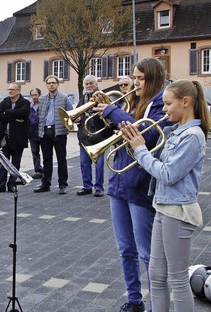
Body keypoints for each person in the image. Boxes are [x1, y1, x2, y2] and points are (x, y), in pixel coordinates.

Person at [121, 79, 209, 312]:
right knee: (156, 275)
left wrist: (140, 149)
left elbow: (168, 174)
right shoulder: (176, 132)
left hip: (178, 211)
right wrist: (134, 141)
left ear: (186, 102)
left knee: (178, 279)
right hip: (163, 206)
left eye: (169, 104)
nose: (165, 109)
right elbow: (159, 166)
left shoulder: (192, 135)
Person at [92, 57, 167, 312]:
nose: (135, 83)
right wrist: (104, 116)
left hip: (140, 184)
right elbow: (121, 131)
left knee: (146, 253)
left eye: (140, 79)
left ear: (154, 78)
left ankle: (158, 304)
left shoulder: (161, 106)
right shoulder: (132, 102)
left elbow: (147, 135)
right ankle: (135, 300)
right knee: (125, 249)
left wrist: (113, 111)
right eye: (134, 78)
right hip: (119, 182)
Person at [34, 75, 72, 194]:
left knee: (61, 160)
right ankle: (46, 184)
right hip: (45, 132)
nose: (51, 85)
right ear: (46, 85)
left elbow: (70, 114)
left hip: (59, 132)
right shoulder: (42, 99)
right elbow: (39, 115)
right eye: (49, 83)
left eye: (53, 83)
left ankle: (62, 184)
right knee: (46, 160)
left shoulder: (64, 98)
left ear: (57, 84)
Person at [0, 83, 30, 193]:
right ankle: (1, 185)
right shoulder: (5, 101)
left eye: (13, 90)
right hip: (5, 138)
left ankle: (11, 184)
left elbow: (23, 113)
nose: (10, 91)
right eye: (9, 89)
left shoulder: (25, 103)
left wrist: (8, 113)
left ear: (18, 91)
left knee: (15, 164)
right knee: (3, 163)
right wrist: (14, 119)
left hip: (18, 139)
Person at [76, 75, 105, 197]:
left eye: (91, 83)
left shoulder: (102, 97)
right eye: (86, 84)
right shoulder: (83, 98)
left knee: (99, 165)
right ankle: (87, 186)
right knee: (84, 163)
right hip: (85, 136)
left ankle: (99, 187)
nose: (88, 86)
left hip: (99, 135)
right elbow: (78, 112)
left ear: (96, 84)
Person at [28, 88, 43, 179]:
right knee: (35, 152)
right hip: (32, 133)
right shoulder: (30, 107)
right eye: (32, 95)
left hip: (42, 132)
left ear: (39, 95)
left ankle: (46, 169)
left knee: (45, 152)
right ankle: (38, 170)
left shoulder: (43, 106)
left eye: (35, 95)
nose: (34, 97)